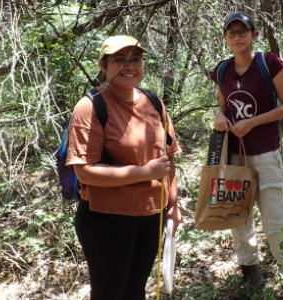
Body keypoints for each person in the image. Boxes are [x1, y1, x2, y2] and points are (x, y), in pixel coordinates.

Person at [66, 35, 181, 300]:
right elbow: (84, 172)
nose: (130, 66)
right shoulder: (90, 107)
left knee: (134, 291)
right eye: (120, 60)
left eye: (136, 59)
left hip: (151, 216)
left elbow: (168, 158)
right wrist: (144, 173)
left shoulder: (153, 102)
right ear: (103, 65)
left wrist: (173, 206)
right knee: (110, 293)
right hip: (106, 220)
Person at [210, 12, 283, 300]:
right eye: (231, 33)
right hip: (235, 156)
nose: (237, 37)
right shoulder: (222, 70)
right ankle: (249, 268)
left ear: (254, 34)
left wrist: (252, 122)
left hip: (265, 153)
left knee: (275, 217)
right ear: (226, 38)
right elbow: (223, 106)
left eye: (243, 31)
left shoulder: (268, 63)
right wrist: (218, 114)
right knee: (238, 215)